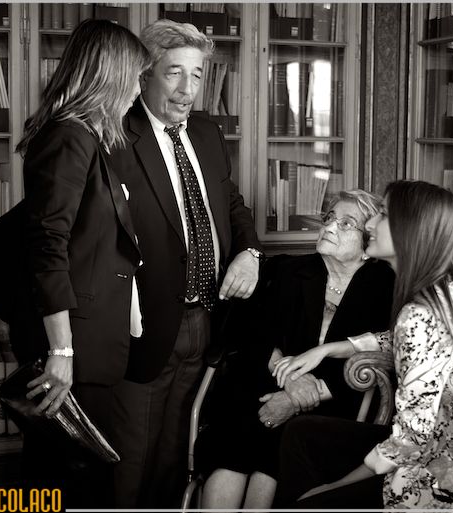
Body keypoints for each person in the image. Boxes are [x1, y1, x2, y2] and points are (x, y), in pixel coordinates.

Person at [273, 180, 453, 509]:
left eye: (384, 215)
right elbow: (403, 343)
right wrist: (329, 349)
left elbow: (409, 440)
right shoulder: (444, 291)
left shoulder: (419, 315)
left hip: (446, 485)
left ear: (410, 230)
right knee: (300, 434)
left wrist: (332, 489)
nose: (371, 223)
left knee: (306, 502)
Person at [106, 19, 263, 508]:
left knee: (179, 447)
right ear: (146, 74)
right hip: (145, 322)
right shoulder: (115, 136)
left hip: (207, 316)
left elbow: (232, 204)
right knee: (131, 454)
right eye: (175, 73)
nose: (187, 89)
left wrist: (250, 251)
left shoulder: (208, 133)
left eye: (197, 75)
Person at [9, 19, 151, 508]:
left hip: (91, 340)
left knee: (76, 478)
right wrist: (62, 351)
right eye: (135, 76)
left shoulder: (89, 137)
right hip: (74, 343)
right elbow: (48, 245)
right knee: (68, 482)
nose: (139, 89)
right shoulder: (69, 137)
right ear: (108, 75)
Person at [198, 190, 395, 509]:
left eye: (346, 224)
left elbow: (377, 362)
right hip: (266, 386)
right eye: (329, 218)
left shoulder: (385, 288)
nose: (330, 227)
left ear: (367, 243)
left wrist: (306, 395)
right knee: (238, 430)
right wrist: (287, 379)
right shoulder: (291, 271)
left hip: (336, 400)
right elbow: (248, 331)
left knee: (284, 440)